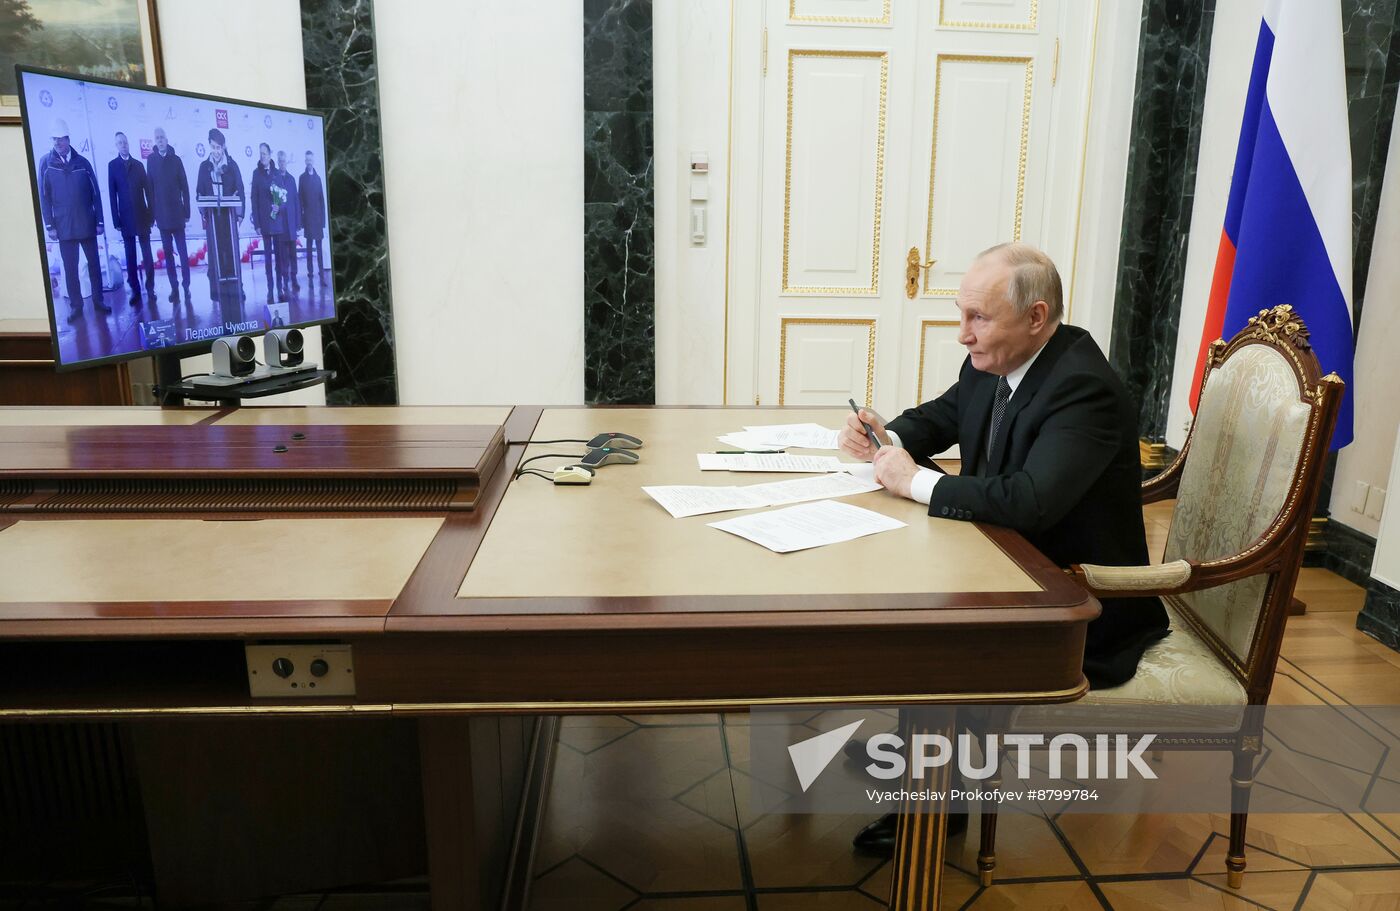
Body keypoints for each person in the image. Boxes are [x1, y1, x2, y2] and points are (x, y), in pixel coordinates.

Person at [840, 242, 1169, 856]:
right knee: (909, 596)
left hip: (1078, 601)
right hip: (1008, 561)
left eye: (978, 318)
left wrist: (915, 482)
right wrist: (886, 436)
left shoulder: (1082, 389)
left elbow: (1030, 501)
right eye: (962, 315)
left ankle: (942, 802)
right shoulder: (998, 358)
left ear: (1037, 316)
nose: (962, 335)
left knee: (936, 623)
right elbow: (942, 415)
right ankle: (922, 753)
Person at [37, 119, 108, 323]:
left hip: (87, 223)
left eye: (61, 138)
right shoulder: (46, 164)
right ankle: (76, 306)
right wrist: (49, 225)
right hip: (63, 226)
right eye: (55, 139)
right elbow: (44, 197)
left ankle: (98, 301)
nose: (58, 142)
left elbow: (96, 194)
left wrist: (100, 222)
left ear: (68, 139)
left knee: (94, 265)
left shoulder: (83, 162)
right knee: (70, 269)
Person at [195, 128, 245, 319]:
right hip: (213, 219)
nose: (216, 150)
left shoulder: (232, 166)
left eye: (219, 147)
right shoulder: (203, 167)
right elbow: (199, 191)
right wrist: (203, 207)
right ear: (210, 146)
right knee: (216, 256)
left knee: (231, 252)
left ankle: (238, 288)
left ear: (224, 146)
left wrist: (239, 215)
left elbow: (239, 188)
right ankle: (216, 291)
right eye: (213, 147)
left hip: (229, 218)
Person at [108, 131, 155, 309]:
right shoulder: (112, 166)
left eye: (125, 142)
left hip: (143, 216)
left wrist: (151, 215)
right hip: (125, 219)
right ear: (116, 146)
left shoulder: (139, 165)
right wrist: (116, 221)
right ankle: (135, 291)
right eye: (119, 143)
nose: (123, 145)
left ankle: (150, 289)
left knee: (148, 255)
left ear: (128, 143)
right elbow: (112, 196)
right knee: (130, 256)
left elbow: (148, 192)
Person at [147, 126, 191, 305]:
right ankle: (174, 288)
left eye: (162, 137)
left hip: (178, 216)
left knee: (182, 252)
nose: (160, 140)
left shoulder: (176, 159)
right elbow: (150, 189)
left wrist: (187, 212)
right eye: (157, 137)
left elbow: (185, 188)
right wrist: (153, 215)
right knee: (168, 255)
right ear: (154, 141)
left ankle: (186, 285)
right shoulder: (150, 160)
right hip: (162, 218)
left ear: (166, 139)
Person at [249, 143, 291, 302]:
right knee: (267, 259)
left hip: (277, 224)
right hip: (265, 224)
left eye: (265, 153)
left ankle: (280, 288)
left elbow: (284, 200)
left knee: (280, 258)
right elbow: (254, 199)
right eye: (260, 153)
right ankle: (270, 289)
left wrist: (278, 207)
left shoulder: (277, 174)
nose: (262, 156)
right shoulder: (256, 174)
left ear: (270, 154)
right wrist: (257, 224)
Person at [298, 149, 327, 285]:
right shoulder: (302, 178)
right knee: (309, 248)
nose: (309, 162)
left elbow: (322, 201)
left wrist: (323, 222)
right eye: (307, 160)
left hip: (317, 220)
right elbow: (300, 201)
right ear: (305, 161)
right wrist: (302, 221)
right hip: (308, 220)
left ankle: (322, 274)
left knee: (319, 249)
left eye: (311, 160)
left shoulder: (318, 178)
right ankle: (310, 273)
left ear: (313, 161)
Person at [275, 150, 301, 291]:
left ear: (286, 162)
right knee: (283, 255)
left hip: (291, 224)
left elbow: (296, 201)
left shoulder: (291, 179)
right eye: (280, 161)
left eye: (284, 161)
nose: (282, 163)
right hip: (280, 225)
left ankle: (294, 278)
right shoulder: (275, 179)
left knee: (293, 254)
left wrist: (298, 222)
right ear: (278, 163)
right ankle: (284, 280)